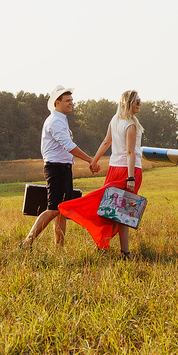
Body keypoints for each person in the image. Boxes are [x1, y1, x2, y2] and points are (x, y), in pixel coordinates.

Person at [58, 89, 144, 259]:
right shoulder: (130, 124)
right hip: (128, 170)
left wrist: (94, 161)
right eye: (137, 101)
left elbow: (106, 142)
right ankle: (125, 251)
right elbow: (130, 153)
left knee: (111, 210)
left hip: (114, 169)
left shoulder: (115, 119)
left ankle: (104, 243)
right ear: (128, 104)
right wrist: (131, 177)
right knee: (123, 213)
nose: (140, 104)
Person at [20, 86, 99, 249]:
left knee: (63, 209)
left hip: (63, 169)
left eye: (72, 100)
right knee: (54, 209)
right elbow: (68, 146)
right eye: (67, 100)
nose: (71, 103)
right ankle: (27, 242)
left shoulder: (61, 119)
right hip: (56, 169)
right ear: (57, 103)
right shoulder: (55, 121)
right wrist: (90, 160)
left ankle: (59, 248)